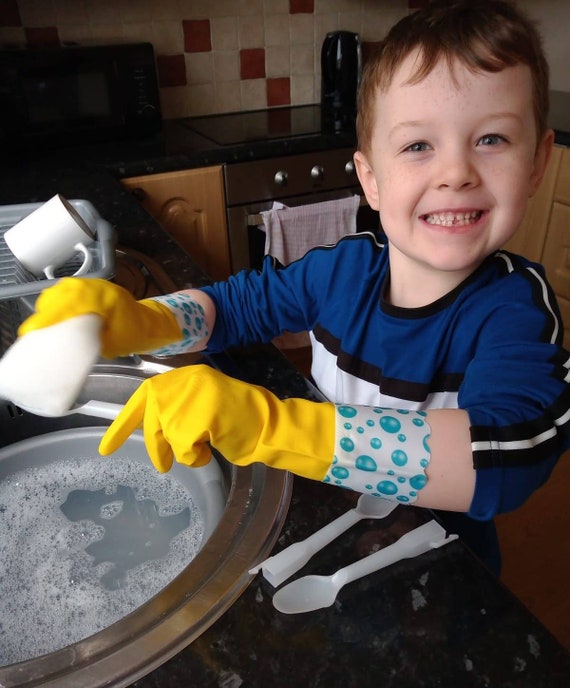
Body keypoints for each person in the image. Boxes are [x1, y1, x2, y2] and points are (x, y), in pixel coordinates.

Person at [18, 0, 570, 573]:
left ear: (536, 163)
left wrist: (271, 426)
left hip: (438, 558)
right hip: (333, 517)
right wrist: (146, 321)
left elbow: (508, 455)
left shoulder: (517, 310)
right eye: (418, 146)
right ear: (371, 180)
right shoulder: (343, 270)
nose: (456, 172)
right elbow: (235, 308)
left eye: (492, 140)